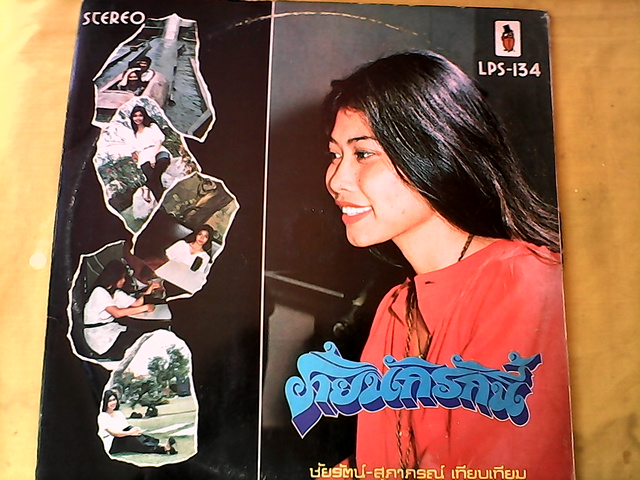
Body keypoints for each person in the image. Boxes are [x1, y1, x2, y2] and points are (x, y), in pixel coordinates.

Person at [322, 52, 573, 478]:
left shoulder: (525, 285)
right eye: (334, 155)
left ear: (436, 150)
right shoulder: (397, 307)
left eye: (362, 154)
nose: (336, 180)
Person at [83, 260, 159, 358]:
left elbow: (136, 303)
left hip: (111, 330)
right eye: (122, 277)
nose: (124, 280)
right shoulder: (99, 291)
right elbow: (117, 313)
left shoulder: (116, 293)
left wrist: (150, 288)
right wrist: (145, 308)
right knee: (141, 342)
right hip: (100, 338)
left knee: (145, 335)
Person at [98, 390, 177, 456]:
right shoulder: (103, 416)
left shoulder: (118, 413)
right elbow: (114, 433)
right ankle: (163, 449)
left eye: (114, 400)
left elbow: (126, 427)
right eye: (109, 401)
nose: (113, 403)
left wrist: (134, 430)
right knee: (132, 439)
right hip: (112, 443)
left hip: (122, 436)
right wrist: (130, 433)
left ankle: (162, 446)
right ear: (105, 402)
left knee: (136, 434)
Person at [129, 105, 171, 202]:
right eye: (135, 116)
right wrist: (139, 158)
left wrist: (153, 157)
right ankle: (162, 204)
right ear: (132, 118)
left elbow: (159, 140)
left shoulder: (152, 126)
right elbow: (133, 152)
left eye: (140, 115)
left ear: (144, 116)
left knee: (163, 161)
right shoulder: (133, 134)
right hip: (144, 156)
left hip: (157, 150)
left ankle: (146, 186)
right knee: (155, 181)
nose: (138, 118)